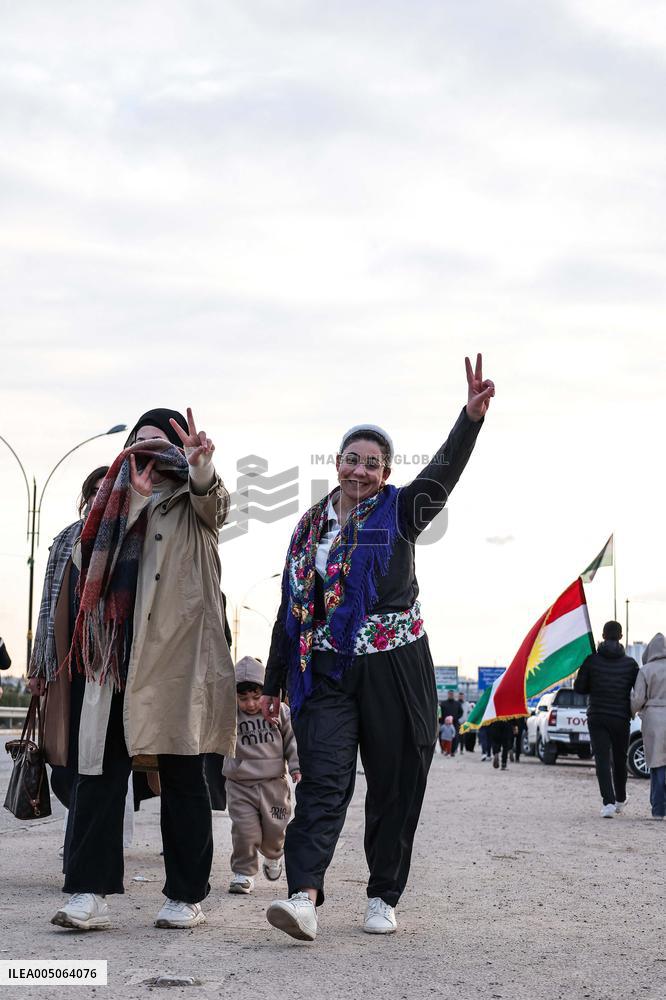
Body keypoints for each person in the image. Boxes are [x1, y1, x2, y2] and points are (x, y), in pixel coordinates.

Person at [261, 353, 494, 941]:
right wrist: (273, 681)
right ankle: (303, 897)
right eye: (351, 459)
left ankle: (383, 896)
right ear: (336, 463)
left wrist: (468, 420)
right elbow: (292, 608)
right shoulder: (308, 529)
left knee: (394, 783)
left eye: (372, 463)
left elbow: (442, 473)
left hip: (395, 668)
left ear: (386, 473)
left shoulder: (401, 512)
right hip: (329, 672)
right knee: (323, 780)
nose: (360, 470)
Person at [50, 407, 236, 932]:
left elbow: (218, 505)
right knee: (98, 776)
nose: (147, 449)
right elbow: (84, 570)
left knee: (183, 777)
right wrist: (129, 500)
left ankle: (185, 896)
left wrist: (201, 466)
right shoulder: (108, 499)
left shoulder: (194, 502)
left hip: (174, 660)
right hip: (112, 658)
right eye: (139, 439)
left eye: (161, 440)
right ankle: (88, 893)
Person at [28, 467, 109, 812]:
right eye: (95, 490)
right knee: (62, 763)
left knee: (97, 761)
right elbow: (47, 605)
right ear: (86, 496)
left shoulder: (126, 537)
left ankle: (85, 827)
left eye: (107, 490)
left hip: (104, 665)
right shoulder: (65, 540)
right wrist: (37, 667)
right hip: (65, 662)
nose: (99, 496)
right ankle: (79, 821)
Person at [224, 655, 300, 894]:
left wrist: (296, 766)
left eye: (256, 697)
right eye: (243, 698)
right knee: (245, 831)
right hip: (240, 784)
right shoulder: (229, 714)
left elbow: (292, 740)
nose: (250, 704)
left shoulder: (279, 711)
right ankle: (243, 873)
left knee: (276, 829)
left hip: (273, 784)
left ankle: (274, 854)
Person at [574, 621, 639, 818]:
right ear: (621, 637)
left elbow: (579, 688)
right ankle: (620, 799)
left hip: (597, 715)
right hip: (620, 717)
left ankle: (608, 803)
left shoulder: (591, 660)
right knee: (620, 759)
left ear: (602, 636)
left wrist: (589, 677)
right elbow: (639, 690)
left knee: (602, 759)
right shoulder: (630, 664)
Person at [631, 633, 666, 821]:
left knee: (656, 762)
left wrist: (631, 712)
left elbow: (638, 699)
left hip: (654, 718)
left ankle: (658, 809)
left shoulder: (646, 670)